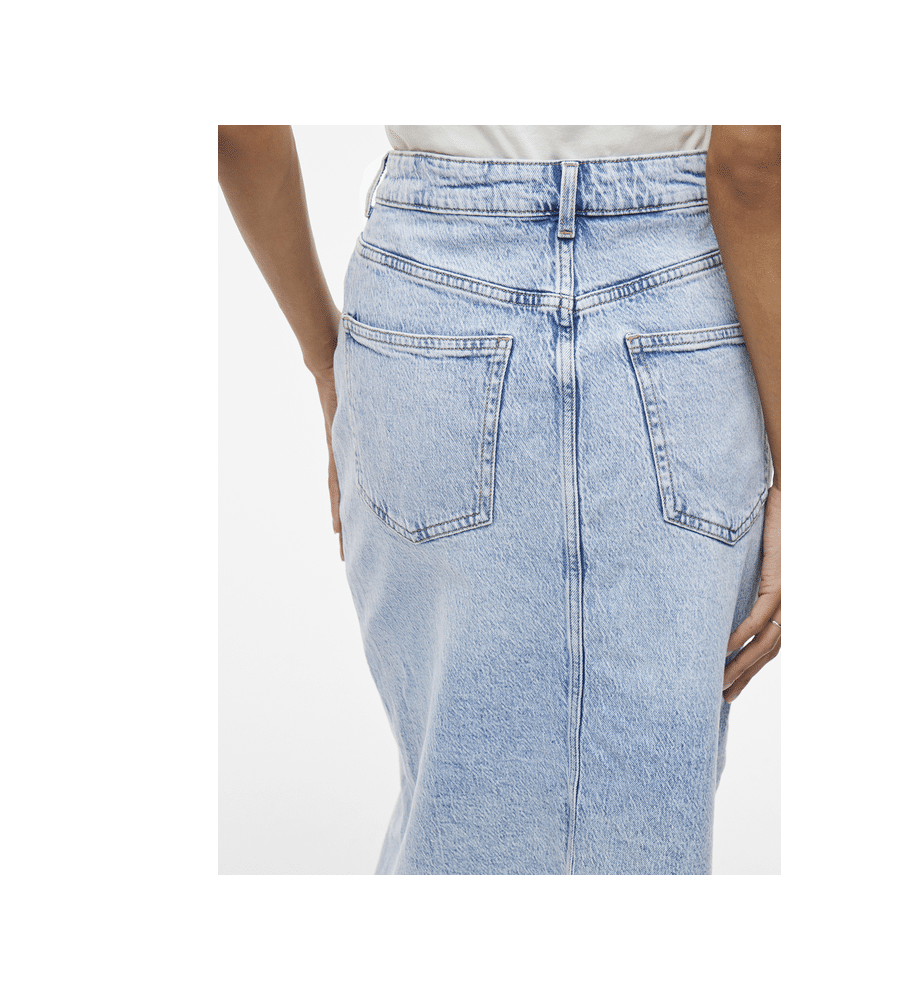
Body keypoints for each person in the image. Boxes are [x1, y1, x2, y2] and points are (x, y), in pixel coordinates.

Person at [218, 125, 781, 874]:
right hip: (670, 304)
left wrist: (328, 360)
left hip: (426, 302)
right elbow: (750, 158)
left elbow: (239, 130)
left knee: (452, 802)